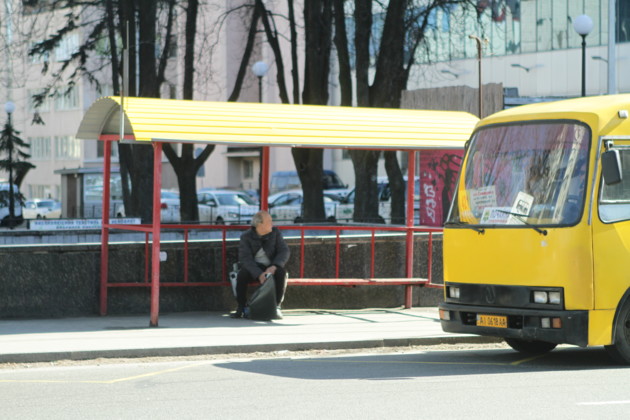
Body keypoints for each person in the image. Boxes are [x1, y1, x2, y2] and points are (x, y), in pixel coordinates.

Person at [230, 210, 290, 319]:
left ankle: (276, 306)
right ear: (260, 224)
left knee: (281, 272)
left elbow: (284, 251)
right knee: (242, 275)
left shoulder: (275, 233)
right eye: (269, 221)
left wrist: (274, 266)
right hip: (254, 267)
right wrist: (259, 274)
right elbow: (245, 258)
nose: (272, 223)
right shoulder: (246, 236)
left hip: (271, 266)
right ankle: (242, 307)